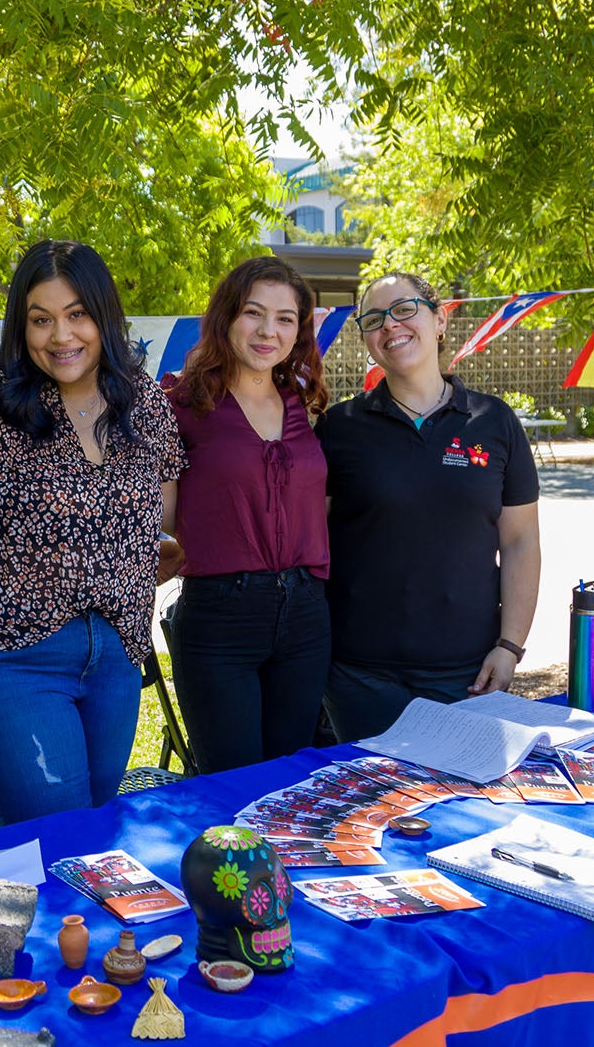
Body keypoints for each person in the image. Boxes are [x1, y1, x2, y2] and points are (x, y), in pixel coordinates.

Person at [0, 240, 184, 825]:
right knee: (57, 837)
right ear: (21, 326)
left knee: (94, 837)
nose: (60, 336)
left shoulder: (142, 400)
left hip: (116, 654)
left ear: (105, 318)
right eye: (40, 319)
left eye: (77, 315)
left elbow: (167, 514)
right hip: (2, 655)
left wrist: (147, 551)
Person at [315, 272, 542, 741]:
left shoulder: (493, 421)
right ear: (366, 342)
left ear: (439, 320)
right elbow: (313, 541)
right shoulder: (340, 428)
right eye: (373, 319)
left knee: (465, 807)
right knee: (378, 808)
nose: (390, 326)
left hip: (468, 672)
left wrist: (509, 646)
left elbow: (520, 541)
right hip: (359, 675)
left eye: (404, 309)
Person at [162, 255, 332, 774]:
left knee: (290, 781)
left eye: (285, 319)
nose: (268, 331)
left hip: (305, 613)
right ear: (226, 317)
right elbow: (160, 512)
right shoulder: (180, 402)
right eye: (253, 313)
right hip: (220, 618)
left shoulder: (306, 402)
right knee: (231, 784)